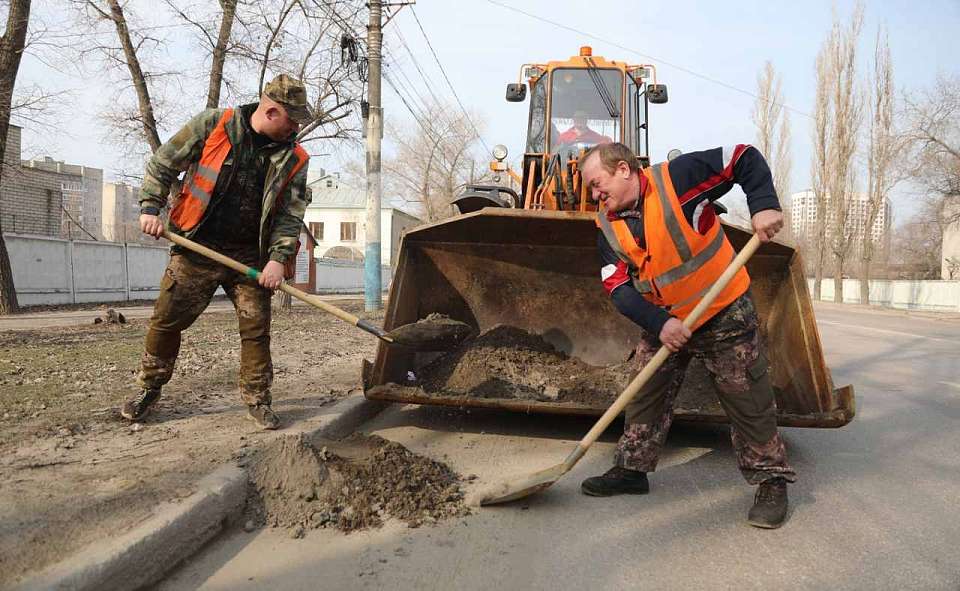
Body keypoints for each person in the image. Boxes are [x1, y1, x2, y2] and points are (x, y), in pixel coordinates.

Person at [578, 142, 795, 529]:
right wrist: (659, 323)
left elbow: (742, 156)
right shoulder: (607, 225)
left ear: (624, 169)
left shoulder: (677, 179)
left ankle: (771, 480)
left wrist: (763, 204)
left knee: (747, 395)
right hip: (668, 320)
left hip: (723, 310)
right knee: (645, 387)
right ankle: (632, 470)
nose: (595, 195)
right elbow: (618, 288)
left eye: (597, 184)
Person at [120, 74, 313, 430]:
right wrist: (150, 207)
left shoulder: (295, 158)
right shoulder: (214, 125)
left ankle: (258, 399)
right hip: (197, 247)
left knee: (256, 331)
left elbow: (290, 215)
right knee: (166, 322)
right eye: (292, 120)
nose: (295, 128)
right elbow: (164, 163)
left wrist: (277, 259)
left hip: (250, 258)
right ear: (272, 111)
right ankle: (149, 388)